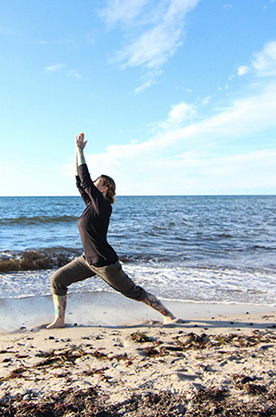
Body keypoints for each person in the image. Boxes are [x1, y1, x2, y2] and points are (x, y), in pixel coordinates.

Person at [47, 132, 181, 329]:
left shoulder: (103, 206)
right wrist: (76, 152)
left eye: (97, 182)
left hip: (105, 264)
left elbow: (84, 180)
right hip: (86, 260)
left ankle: (168, 315)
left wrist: (81, 151)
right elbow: (80, 182)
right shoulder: (92, 205)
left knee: (133, 292)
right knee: (57, 280)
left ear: (105, 188)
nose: (92, 184)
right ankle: (59, 320)